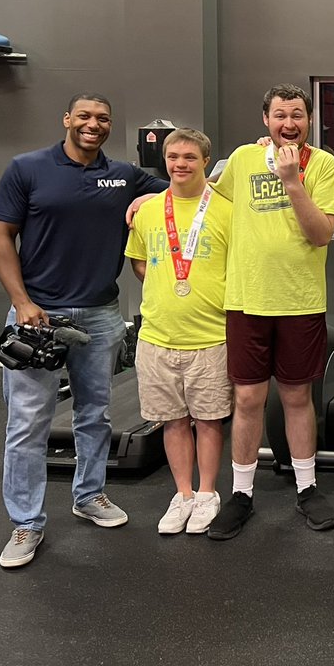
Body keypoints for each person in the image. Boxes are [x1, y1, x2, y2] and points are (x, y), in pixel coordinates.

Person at [0, 92, 168, 568]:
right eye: (85, 116)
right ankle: (26, 522)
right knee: (27, 424)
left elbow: (185, 181)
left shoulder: (125, 175)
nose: (94, 124)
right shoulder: (27, 168)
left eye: (103, 118)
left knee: (96, 414)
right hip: (39, 316)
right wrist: (22, 302)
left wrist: (255, 153)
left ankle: (89, 495)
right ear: (67, 118)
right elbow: (0, 236)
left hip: (101, 314)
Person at [206, 83, 334, 540]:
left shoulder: (322, 166)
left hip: (300, 300)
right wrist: (153, 198)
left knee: (295, 396)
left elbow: (321, 234)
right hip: (247, 298)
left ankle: (307, 489)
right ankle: (242, 494)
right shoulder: (244, 159)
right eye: (281, 115)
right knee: (247, 399)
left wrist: (292, 182)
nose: (290, 123)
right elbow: (202, 199)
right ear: (265, 119)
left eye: (298, 115)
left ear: (309, 120)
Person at [124, 128, 232, 534]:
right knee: (171, 421)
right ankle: (183, 494)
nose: (180, 164)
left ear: (206, 161)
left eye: (189, 157)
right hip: (157, 336)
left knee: (207, 420)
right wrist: (165, 285)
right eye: (173, 157)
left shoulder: (225, 209)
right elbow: (138, 262)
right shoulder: (149, 211)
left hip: (212, 336)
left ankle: (207, 494)